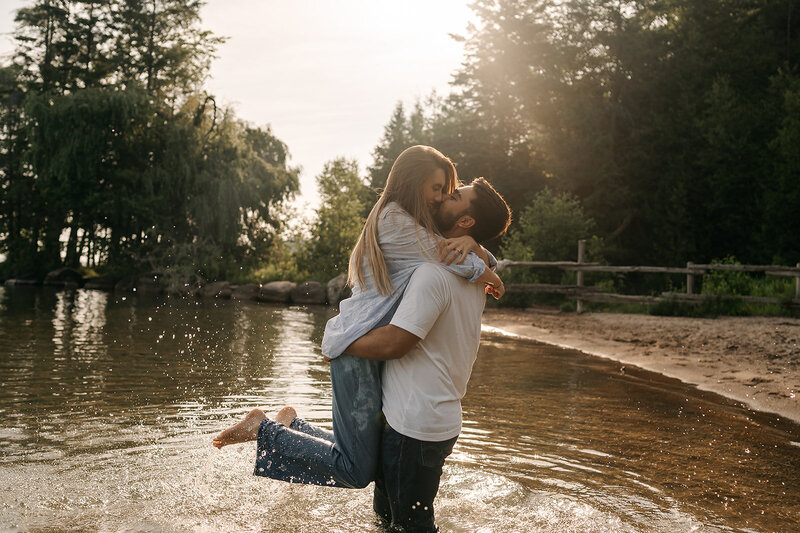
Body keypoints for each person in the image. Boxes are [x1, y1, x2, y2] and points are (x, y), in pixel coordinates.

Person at [211, 146, 508, 490]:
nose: (441, 198)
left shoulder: (415, 224)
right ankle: (264, 430)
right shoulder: (395, 221)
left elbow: (452, 250)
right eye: (438, 188)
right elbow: (454, 259)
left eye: (448, 192)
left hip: (370, 344)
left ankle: (291, 426)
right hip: (359, 345)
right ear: (414, 183)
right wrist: (489, 271)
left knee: (364, 456)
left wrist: (477, 246)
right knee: (355, 469)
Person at [342, 179, 512, 531]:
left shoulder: (433, 273)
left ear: (466, 222)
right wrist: (479, 251)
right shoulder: (474, 274)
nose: (445, 196)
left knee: (409, 527)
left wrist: (340, 343)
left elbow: (395, 343)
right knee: (389, 523)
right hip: (430, 418)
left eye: (456, 195)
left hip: (413, 426)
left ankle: (277, 431)